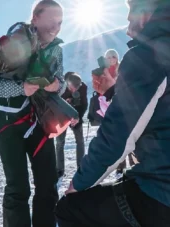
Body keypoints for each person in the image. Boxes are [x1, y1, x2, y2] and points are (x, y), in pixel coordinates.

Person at [55, 0, 170, 226]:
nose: (127, 23)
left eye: (131, 13)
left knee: (69, 209)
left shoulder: (148, 55)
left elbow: (117, 137)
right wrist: (112, 92)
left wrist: (78, 184)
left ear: (148, 12)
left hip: (160, 190)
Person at [0, 1, 66, 226]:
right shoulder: (11, 43)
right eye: (51, 20)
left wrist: (56, 86)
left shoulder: (57, 50)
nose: (55, 27)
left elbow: (61, 83)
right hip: (9, 125)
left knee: (48, 184)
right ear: (35, 18)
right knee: (17, 187)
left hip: (42, 122)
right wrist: (22, 89)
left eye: (59, 22)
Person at [56, 72, 88, 179]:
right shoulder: (60, 87)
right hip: (61, 117)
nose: (73, 91)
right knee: (60, 142)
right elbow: (54, 104)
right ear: (67, 84)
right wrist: (66, 102)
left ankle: (81, 166)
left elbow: (84, 104)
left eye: (76, 89)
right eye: (71, 88)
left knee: (80, 141)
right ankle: (59, 169)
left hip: (76, 115)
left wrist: (77, 118)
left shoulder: (83, 87)